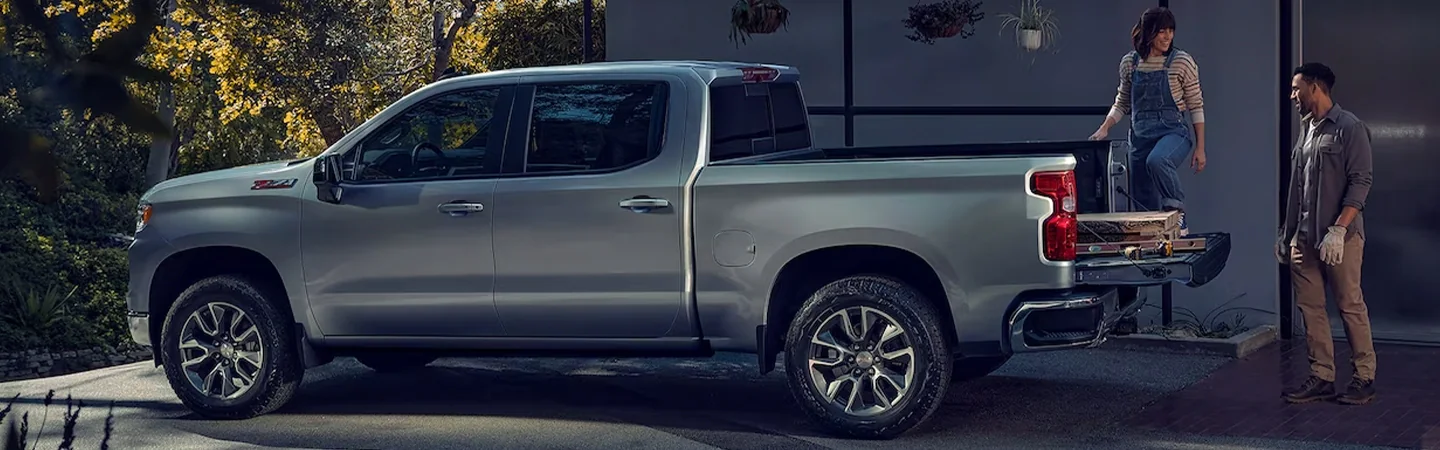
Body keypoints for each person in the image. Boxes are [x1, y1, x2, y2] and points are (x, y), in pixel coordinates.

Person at [1278, 62, 1377, 405]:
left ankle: (1364, 378)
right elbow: (1297, 187)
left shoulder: (1350, 127)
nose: (1292, 95)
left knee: (1350, 305)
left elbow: (1361, 182)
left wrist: (1339, 228)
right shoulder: (1306, 129)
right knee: (1311, 308)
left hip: (1341, 239)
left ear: (1315, 88)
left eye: (1296, 88)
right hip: (1303, 240)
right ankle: (1321, 376)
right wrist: (1286, 234)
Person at [1089, 7, 1206, 235]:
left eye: (1171, 30)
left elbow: (1196, 105)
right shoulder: (1130, 64)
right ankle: (1154, 237)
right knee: (1143, 198)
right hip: (1140, 137)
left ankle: (1178, 212)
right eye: (1162, 31)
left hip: (1173, 133)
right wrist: (1104, 128)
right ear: (1148, 32)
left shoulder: (1181, 62)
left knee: (1158, 161)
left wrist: (1200, 148)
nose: (1167, 36)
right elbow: (1122, 102)